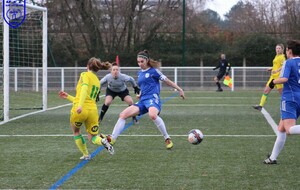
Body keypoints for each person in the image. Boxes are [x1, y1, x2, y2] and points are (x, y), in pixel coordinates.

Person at [103, 50, 185, 149]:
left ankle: (167, 138)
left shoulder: (153, 71)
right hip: (143, 101)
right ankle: (112, 139)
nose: (140, 64)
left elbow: (167, 81)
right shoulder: (140, 73)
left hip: (152, 99)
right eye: (138, 62)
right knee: (123, 115)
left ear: (146, 60)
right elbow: (144, 86)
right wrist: (140, 94)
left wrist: (179, 89)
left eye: (142, 61)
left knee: (153, 115)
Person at [58, 57, 114, 160]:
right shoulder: (97, 81)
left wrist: (80, 105)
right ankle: (102, 141)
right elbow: (88, 98)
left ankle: (86, 154)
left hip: (81, 110)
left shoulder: (84, 75)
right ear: (97, 69)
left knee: (76, 132)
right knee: (92, 137)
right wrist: (68, 97)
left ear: (87, 66)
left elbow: (84, 90)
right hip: (92, 111)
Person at [263, 40, 300, 164]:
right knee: (281, 129)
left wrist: (273, 82)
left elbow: (284, 78)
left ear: (289, 51)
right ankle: (273, 158)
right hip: (298, 97)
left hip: (290, 98)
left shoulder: (289, 62)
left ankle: (273, 158)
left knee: (289, 129)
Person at [253, 44, 286, 111]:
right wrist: (271, 68)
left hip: (278, 78)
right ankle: (260, 106)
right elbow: (276, 65)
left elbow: (283, 66)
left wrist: (277, 70)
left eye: (279, 48)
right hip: (273, 78)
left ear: (282, 49)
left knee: (282, 94)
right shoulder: (276, 56)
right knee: (266, 90)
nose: (277, 49)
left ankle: (287, 106)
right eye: (277, 48)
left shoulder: (282, 57)